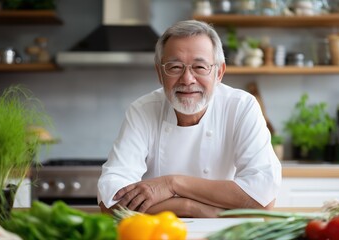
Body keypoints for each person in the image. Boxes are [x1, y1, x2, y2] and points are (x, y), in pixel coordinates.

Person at [97, 20, 282, 218]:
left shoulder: (241, 107)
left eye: (200, 67)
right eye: (175, 67)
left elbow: (263, 198)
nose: (187, 79)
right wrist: (187, 207)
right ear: (160, 74)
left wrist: (171, 184)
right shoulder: (143, 110)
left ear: (219, 73)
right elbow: (110, 201)